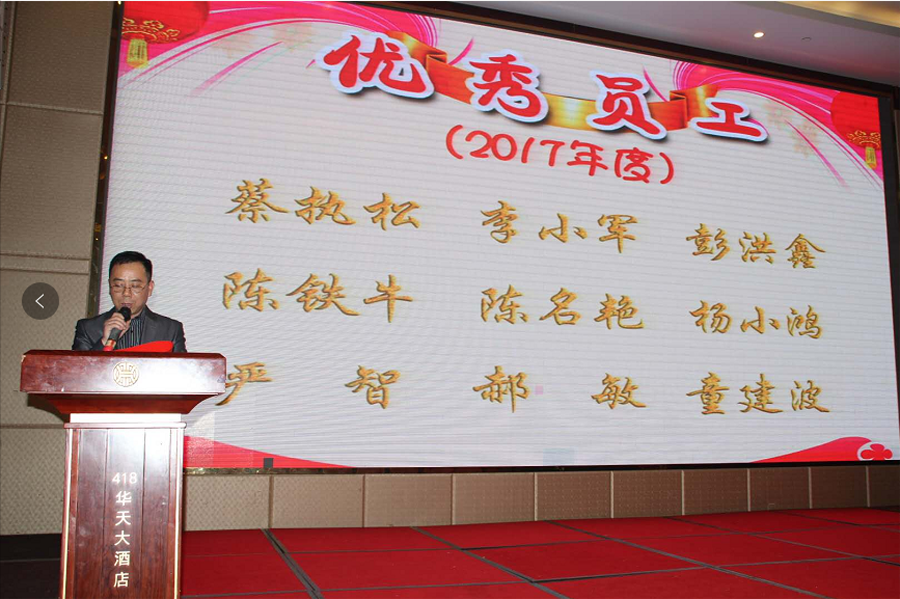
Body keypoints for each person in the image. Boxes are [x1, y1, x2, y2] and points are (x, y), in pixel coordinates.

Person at [72, 251, 186, 352]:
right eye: (118, 285)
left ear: (150, 288)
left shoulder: (170, 330)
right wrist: (104, 342)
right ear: (110, 286)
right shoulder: (88, 328)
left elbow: (183, 368)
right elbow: (76, 368)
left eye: (135, 286)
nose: (126, 293)